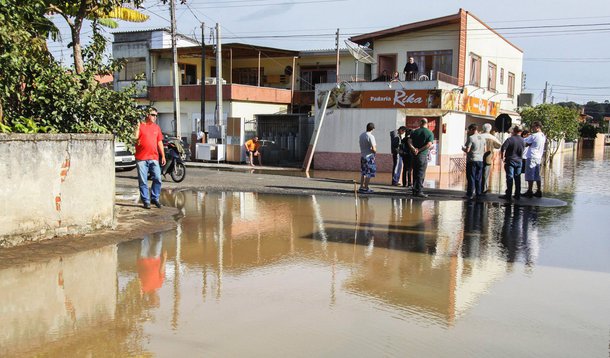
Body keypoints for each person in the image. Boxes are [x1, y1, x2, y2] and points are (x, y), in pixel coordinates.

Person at [135, 107, 166, 209]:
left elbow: (159, 142)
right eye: (153, 115)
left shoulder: (156, 128)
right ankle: (146, 201)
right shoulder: (140, 125)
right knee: (143, 181)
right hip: (141, 158)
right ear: (147, 115)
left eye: (156, 115)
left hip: (154, 157)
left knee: (158, 178)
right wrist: (137, 126)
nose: (155, 117)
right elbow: (134, 138)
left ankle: (155, 198)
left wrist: (163, 155)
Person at [408, 118, 434, 197]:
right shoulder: (429, 133)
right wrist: (419, 150)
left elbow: (409, 141)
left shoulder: (414, 132)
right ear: (427, 123)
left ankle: (414, 190)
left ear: (420, 123)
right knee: (421, 174)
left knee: (415, 172)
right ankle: (419, 191)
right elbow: (429, 144)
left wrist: (413, 149)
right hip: (422, 156)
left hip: (414, 155)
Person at [499, 126, 525, 201]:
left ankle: (508, 194)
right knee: (517, 178)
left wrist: (502, 157)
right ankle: (517, 195)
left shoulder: (510, 139)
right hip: (519, 161)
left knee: (510, 177)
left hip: (510, 160)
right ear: (521, 131)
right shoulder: (523, 141)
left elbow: (503, 148)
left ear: (514, 131)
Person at [462, 124, 485, 200]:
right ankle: (478, 193)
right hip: (480, 160)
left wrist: (463, 149)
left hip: (472, 160)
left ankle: (470, 194)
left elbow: (467, 150)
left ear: (472, 129)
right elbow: (485, 149)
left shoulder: (471, 138)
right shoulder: (482, 137)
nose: (469, 131)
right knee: (478, 177)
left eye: (469, 130)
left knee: (471, 177)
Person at [523, 121, 546, 197]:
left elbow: (524, 142)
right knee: (537, 174)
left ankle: (530, 191)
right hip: (538, 157)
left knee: (530, 174)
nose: (532, 129)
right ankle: (539, 190)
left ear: (537, 127)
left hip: (532, 156)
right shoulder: (543, 136)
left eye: (533, 127)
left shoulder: (534, 136)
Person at [480, 123, 502, 193]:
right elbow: (499, 145)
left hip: (479, 158)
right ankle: (484, 189)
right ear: (490, 129)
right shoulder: (493, 137)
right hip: (488, 158)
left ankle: (477, 189)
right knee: (485, 174)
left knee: (478, 174)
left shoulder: (479, 136)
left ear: (483, 128)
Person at [358, 122, 377, 193]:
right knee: (369, 173)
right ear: (372, 129)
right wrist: (374, 151)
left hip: (363, 156)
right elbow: (374, 149)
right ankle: (366, 188)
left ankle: (361, 187)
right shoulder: (371, 136)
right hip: (369, 157)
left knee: (363, 172)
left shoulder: (361, 135)